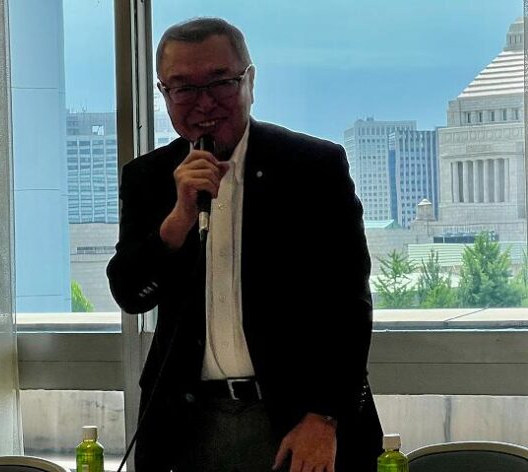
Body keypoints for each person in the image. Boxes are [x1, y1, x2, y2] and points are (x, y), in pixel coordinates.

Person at [107, 16, 383, 472]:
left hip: (297, 419)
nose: (204, 102)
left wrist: (325, 415)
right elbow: (130, 293)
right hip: (188, 424)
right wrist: (177, 220)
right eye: (184, 88)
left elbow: (349, 306)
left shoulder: (312, 167)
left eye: (221, 82)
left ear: (250, 81)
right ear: (164, 94)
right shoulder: (149, 177)